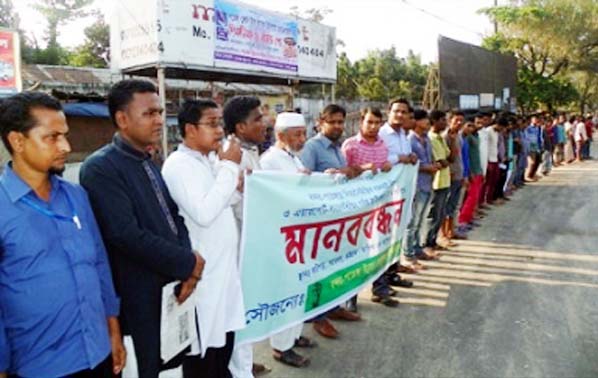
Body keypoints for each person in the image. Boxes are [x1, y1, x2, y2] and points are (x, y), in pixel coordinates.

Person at [80, 80, 205, 378]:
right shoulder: (101, 168)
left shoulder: (148, 161)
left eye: (160, 111)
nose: (160, 119)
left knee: (174, 368)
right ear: (122, 119)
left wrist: (187, 265)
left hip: (170, 290)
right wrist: (188, 263)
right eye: (149, 113)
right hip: (139, 300)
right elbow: (125, 234)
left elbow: (173, 218)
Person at [0, 92, 124, 378]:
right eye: (52, 137)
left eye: (65, 135)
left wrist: (113, 330)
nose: (66, 146)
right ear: (18, 141)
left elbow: (99, 266)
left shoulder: (76, 197)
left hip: (97, 354)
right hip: (41, 367)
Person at [162, 99, 246, 378]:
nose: (220, 130)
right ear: (189, 129)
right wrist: (229, 168)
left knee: (223, 348)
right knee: (204, 358)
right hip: (203, 279)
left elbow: (223, 200)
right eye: (212, 124)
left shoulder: (210, 160)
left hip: (224, 273)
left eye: (220, 123)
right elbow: (204, 212)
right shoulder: (179, 165)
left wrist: (237, 184)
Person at [260, 112, 317, 368]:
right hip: (283, 238)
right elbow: (278, 196)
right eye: (297, 134)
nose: (303, 139)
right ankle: (281, 347)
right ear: (281, 136)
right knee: (286, 291)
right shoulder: (270, 160)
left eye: (304, 133)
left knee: (299, 288)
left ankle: (293, 336)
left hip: (299, 236)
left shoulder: (292, 158)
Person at [301, 104, 362, 339]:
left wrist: (349, 172)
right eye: (333, 122)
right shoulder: (312, 147)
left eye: (340, 122)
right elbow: (304, 181)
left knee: (332, 267)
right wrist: (336, 174)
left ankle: (332, 307)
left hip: (335, 221)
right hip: (318, 222)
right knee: (316, 270)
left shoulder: (337, 148)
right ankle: (316, 317)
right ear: (320, 122)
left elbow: (339, 175)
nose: (338, 126)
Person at [223, 96, 271, 378]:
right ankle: (241, 370)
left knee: (245, 312)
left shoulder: (249, 152)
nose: (264, 124)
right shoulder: (233, 154)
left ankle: (243, 365)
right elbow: (241, 205)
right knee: (238, 314)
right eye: (257, 118)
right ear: (241, 127)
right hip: (237, 248)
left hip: (248, 245)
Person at [341, 107, 398, 307]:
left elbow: (385, 169)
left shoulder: (383, 146)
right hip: (356, 210)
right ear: (361, 123)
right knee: (355, 254)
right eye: (369, 122)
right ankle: (351, 298)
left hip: (380, 208)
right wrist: (362, 169)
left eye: (377, 123)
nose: (373, 127)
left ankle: (380, 289)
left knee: (379, 247)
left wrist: (386, 167)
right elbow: (342, 175)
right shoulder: (351, 146)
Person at [403, 109, 440, 267]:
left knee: (420, 219)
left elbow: (429, 158)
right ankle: (408, 254)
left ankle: (417, 248)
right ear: (416, 122)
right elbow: (411, 164)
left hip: (427, 183)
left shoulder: (426, 139)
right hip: (416, 184)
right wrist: (428, 168)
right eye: (424, 120)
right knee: (412, 221)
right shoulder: (410, 140)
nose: (427, 123)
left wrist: (434, 166)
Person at [424, 110, 451, 253]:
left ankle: (433, 241)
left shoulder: (440, 137)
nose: (445, 123)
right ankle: (426, 243)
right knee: (433, 214)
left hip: (445, 180)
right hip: (437, 181)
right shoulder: (431, 138)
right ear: (434, 121)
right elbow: (441, 161)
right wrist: (444, 162)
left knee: (440, 214)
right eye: (442, 120)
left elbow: (448, 156)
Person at [441, 111, 466, 241]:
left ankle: (451, 231)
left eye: (461, 120)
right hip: (450, 175)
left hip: (459, 174)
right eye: (456, 120)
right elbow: (445, 157)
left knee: (454, 205)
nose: (459, 123)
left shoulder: (459, 136)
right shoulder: (446, 136)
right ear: (450, 120)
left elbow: (460, 156)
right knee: (446, 205)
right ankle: (443, 234)